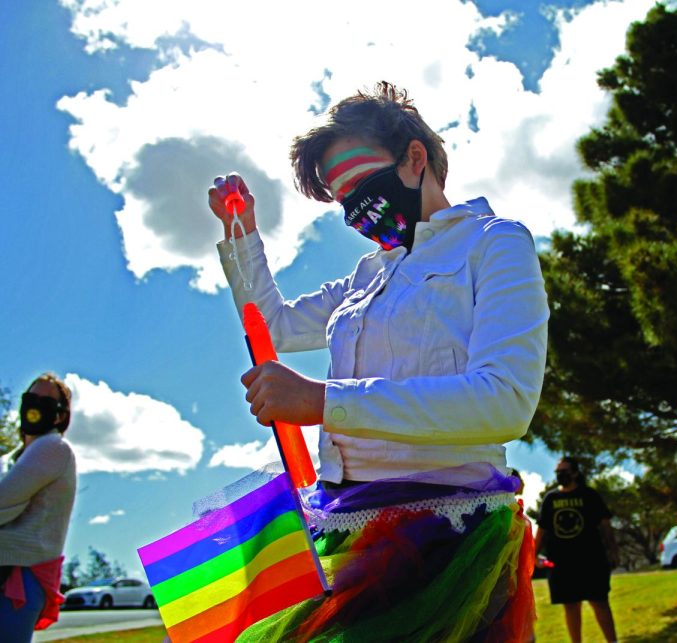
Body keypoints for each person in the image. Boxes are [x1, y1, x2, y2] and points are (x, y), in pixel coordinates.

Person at [207, 82, 549, 641]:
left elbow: (504, 402)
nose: (355, 212)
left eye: (363, 186)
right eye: (343, 201)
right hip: (346, 529)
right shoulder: (368, 274)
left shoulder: (495, 243)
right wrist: (239, 232)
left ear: (416, 158)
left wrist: (323, 401)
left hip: (449, 540)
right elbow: (274, 328)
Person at [0, 373, 77, 642]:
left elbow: (4, 503)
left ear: (59, 416)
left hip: (19, 577)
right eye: (30, 399)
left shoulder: (54, 447)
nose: (35, 405)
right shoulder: (11, 460)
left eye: (46, 401)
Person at [535, 457, 619, 643]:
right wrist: (532, 555)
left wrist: (613, 551)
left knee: (599, 602)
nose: (560, 475)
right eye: (558, 471)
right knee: (570, 606)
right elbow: (542, 530)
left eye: (564, 471)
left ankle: (613, 641)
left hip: (591, 559)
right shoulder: (551, 499)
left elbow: (605, 525)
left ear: (575, 473)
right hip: (562, 562)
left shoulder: (589, 495)